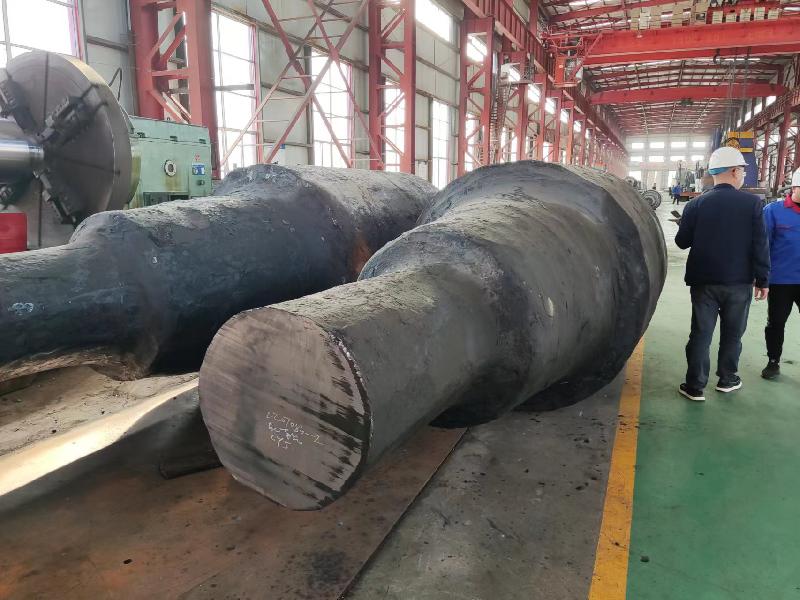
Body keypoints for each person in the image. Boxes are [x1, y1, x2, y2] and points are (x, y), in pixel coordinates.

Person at [675, 146, 770, 401]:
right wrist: (763, 280)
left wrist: (688, 225)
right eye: (742, 171)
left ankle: (694, 386)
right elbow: (760, 245)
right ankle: (727, 379)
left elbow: (682, 242)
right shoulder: (752, 204)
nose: (743, 176)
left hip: (703, 282)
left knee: (701, 333)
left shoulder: (695, 204)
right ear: (735, 171)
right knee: (732, 333)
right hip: (739, 282)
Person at [761, 168, 800, 380]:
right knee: (776, 323)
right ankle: (773, 361)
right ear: (794, 187)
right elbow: (763, 245)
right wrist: (761, 277)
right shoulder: (773, 211)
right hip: (781, 281)